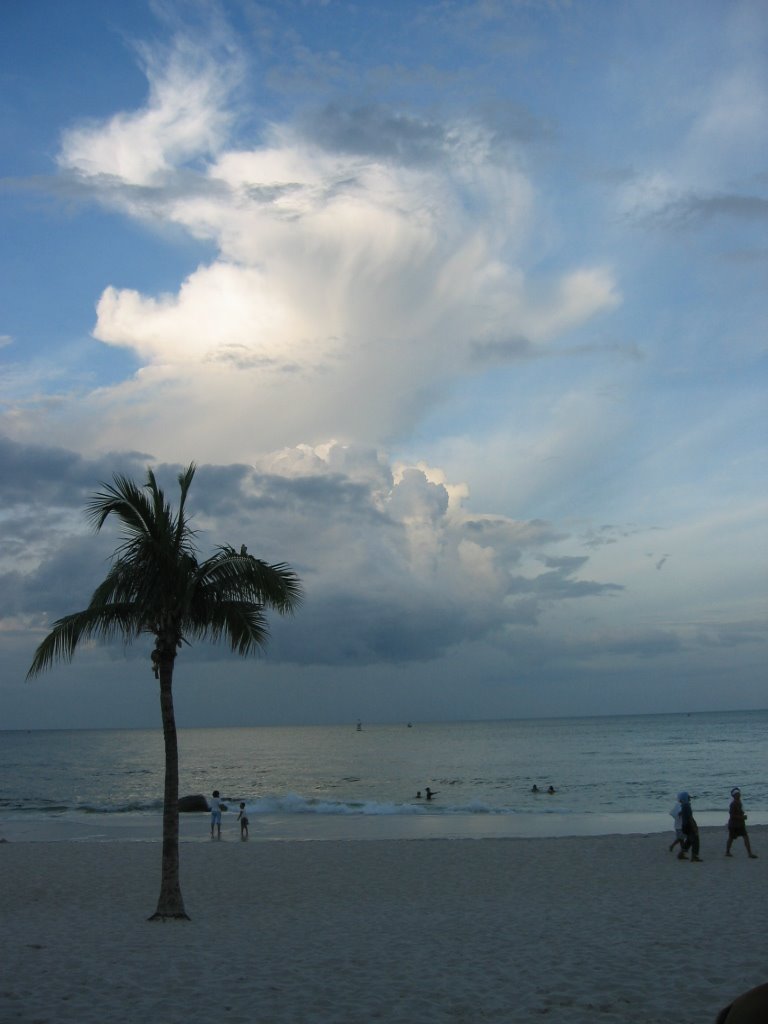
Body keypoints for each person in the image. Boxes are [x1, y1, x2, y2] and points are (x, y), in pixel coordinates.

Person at [725, 787, 758, 859]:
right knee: (731, 838)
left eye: (739, 794)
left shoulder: (739, 802)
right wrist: (742, 817)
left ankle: (749, 853)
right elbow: (732, 815)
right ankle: (727, 852)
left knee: (746, 837)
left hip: (740, 824)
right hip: (734, 825)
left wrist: (742, 817)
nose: (739, 795)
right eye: (737, 794)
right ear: (734, 796)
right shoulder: (733, 804)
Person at [678, 791, 701, 861]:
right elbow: (689, 817)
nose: (689, 798)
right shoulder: (687, 806)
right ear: (685, 798)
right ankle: (694, 856)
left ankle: (681, 854)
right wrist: (694, 826)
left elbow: (682, 814)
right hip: (689, 825)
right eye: (688, 797)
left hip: (684, 826)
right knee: (695, 840)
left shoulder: (683, 805)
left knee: (689, 840)